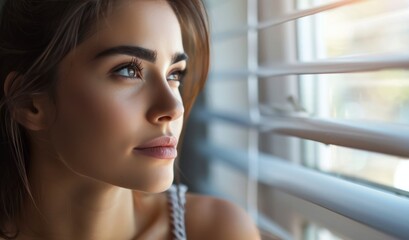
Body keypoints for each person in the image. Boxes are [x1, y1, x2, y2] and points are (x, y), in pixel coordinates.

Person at [0, 0, 261, 239]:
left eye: (174, 74)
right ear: (30, 103)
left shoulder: (218, 231)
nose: (174, 106)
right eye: (128, 70)